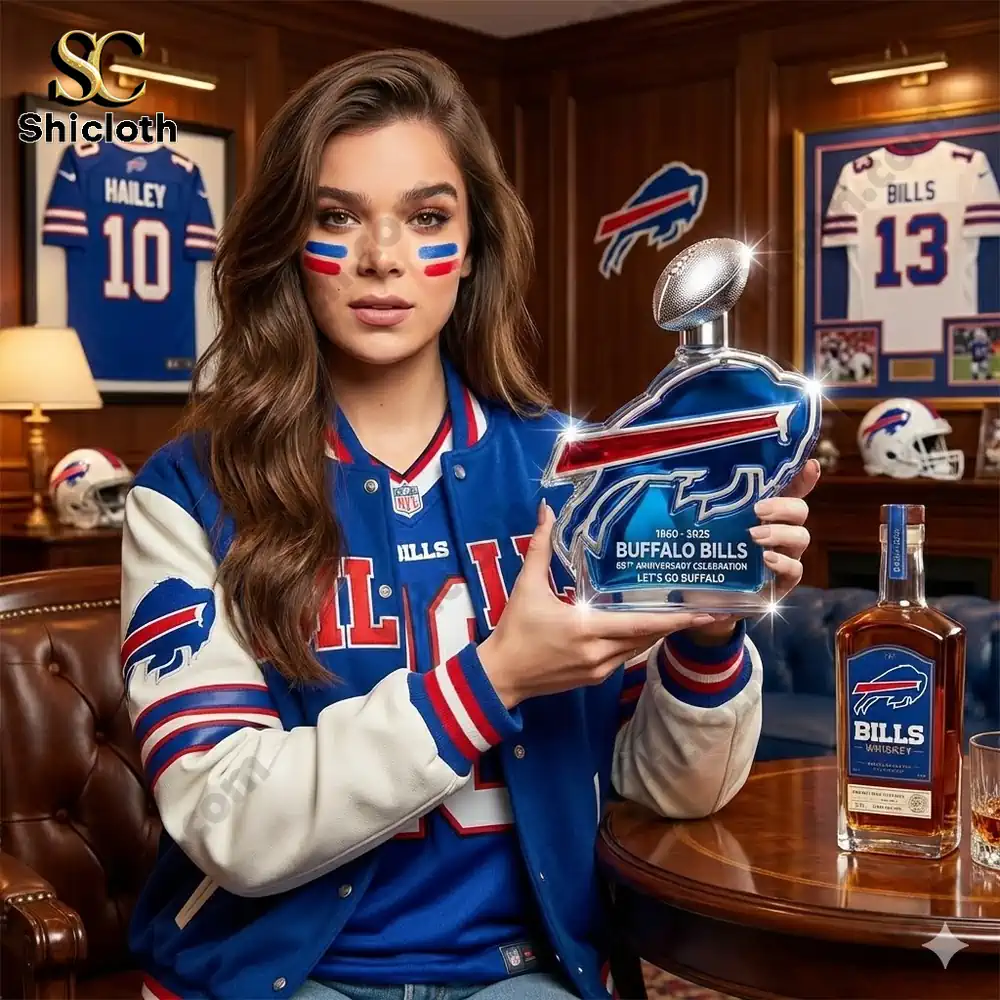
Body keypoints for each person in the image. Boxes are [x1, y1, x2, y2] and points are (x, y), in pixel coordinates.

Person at [120, 48, 818, 1000]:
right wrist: (495, 677)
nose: (382, 258)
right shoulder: (188, 492)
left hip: (524, 974)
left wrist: (708, 626)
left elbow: (669, 788)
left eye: (427, 217)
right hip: (275, 977)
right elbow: (231, 823)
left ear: (475, 245)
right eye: (337, 216)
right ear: (289, 241)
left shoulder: (571, 469)